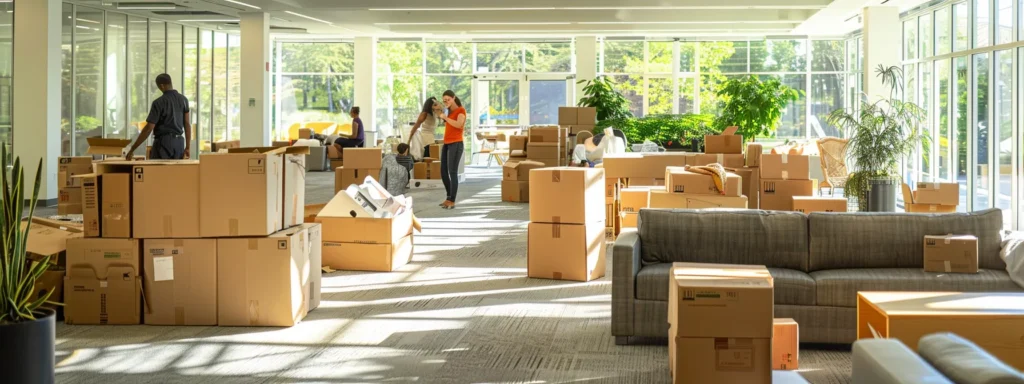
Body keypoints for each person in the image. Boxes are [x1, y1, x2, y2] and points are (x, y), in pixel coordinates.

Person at [128, 73, 191, 160]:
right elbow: (187, 124)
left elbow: (149, 128)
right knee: (176, 172)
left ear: (161, 86)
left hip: (163, 143)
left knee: (158, 172)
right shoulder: (184, 100)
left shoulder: (159, 102)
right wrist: (187, 147)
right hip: (179, 143)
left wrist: (132, 149)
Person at [437, 90, 466, 210]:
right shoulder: (448, 111)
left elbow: (459, 124)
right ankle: (448, 197)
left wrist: (446, 118)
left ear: (454, 98)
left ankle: (452, 200)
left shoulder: (461, 110)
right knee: (443, 171)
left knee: (452, 172)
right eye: (444, 100)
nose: (446, 102)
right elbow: (447, 125)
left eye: (448, 99)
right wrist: (443, 114)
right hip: (447, 143)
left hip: (456, 143)